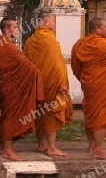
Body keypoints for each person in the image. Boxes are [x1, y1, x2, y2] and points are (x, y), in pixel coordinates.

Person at [0, 17, 44, 161]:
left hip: (8, 86)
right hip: (9, 87)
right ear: (6, 30)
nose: (17, 30)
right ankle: (8, 150)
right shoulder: (6, 45)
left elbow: (20, 63)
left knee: (7, 115)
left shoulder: (4, 43)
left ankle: (3, 148)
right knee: (11, 116)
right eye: (14, 27)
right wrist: (37, 72)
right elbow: (25, 64)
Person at [24, 11, 73, 156]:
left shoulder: (30, 40)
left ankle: (41, 144)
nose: (54, 23)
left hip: (37, 82)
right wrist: (63, 83)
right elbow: (58, 64)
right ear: (45, 22)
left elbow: (26, 61)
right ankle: (51, 147)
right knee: (51, 113)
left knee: (39, 111)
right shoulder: (50, 40)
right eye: (52, 20)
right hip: (52, 81)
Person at [71, 18, 106, 159]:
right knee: (100, 115)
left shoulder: (79, 44)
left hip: (88, 83)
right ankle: (98, 149)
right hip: (101, 83)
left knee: (91, 113)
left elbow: (75, 67)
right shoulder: (103, 45)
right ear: (97, 29)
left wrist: (84, 78)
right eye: (105, 27)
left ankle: (91, 146)